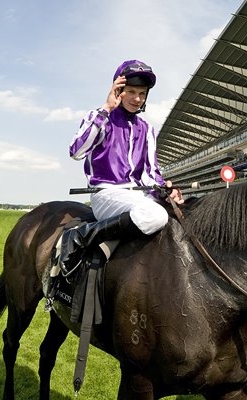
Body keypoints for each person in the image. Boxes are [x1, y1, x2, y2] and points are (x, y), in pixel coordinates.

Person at [64, 60, 183, 269]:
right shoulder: (102, 118)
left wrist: (164, 191)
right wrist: (107, 108)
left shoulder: (146, 129)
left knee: (182, 210)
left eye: (142, 93)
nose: (137, 99)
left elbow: (151, 173)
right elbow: (76, 151)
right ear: (118, 91)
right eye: (131, 91)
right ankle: (83, 236)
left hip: (139, 195)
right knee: (155, 216)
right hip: (107, 194)